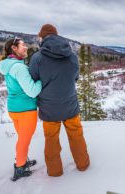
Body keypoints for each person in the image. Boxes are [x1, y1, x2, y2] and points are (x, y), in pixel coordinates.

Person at [29, 24, 90, 177]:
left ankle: (55, 172)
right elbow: (75, 77)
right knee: (76, 135)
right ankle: (83, 165)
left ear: (42, 37)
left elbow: (34, 81)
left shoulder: (37, 58)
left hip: (49, 108)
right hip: (70, 104)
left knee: (51, 140)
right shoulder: (72, 56)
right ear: (56, 36)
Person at [0, 37, 42, 181]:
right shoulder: (19, 67)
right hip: (25, 110)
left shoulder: (8, 65)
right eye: (23, 45)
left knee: (22, 139)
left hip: (14, 109)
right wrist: (43, 80)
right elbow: (32, 91)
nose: (26, 47)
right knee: (24, 140)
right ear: (14, 48)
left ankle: (21, 160)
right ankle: (20, 167)